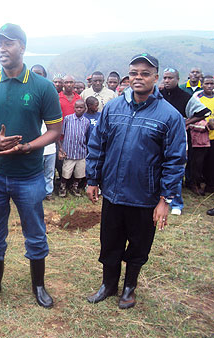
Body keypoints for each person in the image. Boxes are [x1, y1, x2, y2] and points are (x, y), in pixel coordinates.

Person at [0, 23, 62, 308]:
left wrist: (29, 146)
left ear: (22, 46)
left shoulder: (42, 86)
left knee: (35, 232)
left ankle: (39, 287)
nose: (2, 48)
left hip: (30, 175)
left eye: (8, 43)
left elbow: (55, 130)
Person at [85, 53, 186, 309]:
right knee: (109, 242)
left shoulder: (169, 116)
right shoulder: (113, 108)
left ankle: (129, 288)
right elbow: (97, 146)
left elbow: (175, 161)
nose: (138, 78)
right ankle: (108, 285)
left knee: (139, 246)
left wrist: (165, 200)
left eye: (145, 73)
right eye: (134, 73)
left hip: (145, 196)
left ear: (155, 77)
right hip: (113, 193)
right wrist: (93, 179)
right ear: (129, 77)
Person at [160, 67, 210, 212]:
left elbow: (204, 112)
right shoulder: (158, 94)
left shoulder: (185, 97)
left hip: (177, 138)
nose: (167, 81)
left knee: (174, 170)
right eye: (165, 78)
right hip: (158, 137)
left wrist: (186, 122)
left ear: (178, 79)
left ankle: (176, 204)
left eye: (170, 78)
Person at [31, 65, 56, 200]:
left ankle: (48, 192)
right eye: (34, 73)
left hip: (50, 146)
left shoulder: (50, 95)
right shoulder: (28, 97)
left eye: (39, 73)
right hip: (34, 146)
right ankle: (38, 192)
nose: (36, 76)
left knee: (49, 172)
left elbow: (56, 127)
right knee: (36, 172)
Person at [58, 99, 90, 197]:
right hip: (69, 152)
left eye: (81, 107)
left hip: (81, 152)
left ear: (85, 109)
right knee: (66, 172)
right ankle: (62, 187)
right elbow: (61, 135)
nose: (79, 109)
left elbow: (87, 136)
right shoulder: (68, 119)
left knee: (79, 172)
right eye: (77, 107)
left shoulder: (86, 121)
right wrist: (61, 149)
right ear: (74, 108)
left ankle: (75, 187)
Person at [198, 76, 214, 193]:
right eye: (207, 84)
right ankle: (198, 184)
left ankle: (210, 185)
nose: (209, 86)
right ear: (202, 84)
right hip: (201, 136)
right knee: (199, 163)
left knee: (211, 162)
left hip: (213, 137)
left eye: (212, 84)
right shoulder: (198, 98)